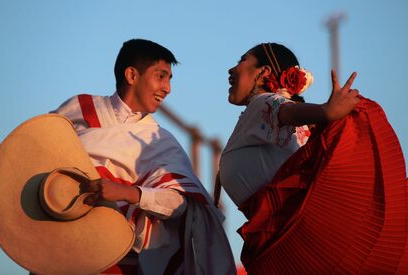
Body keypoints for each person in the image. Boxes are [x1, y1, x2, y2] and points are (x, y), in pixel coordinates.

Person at [217, 42, 408, 274]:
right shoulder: (281, 119)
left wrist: (326, 112)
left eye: (241, 60)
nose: (232, 69)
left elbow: (283, 110)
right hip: (301, 233)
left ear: (263, 73)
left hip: (294, 235)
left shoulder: (263, 102)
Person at [52, 38, 236, 275]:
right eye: (161, 76)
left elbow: (179, 204)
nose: (167, 88)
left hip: (118, 263)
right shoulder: (80, 108)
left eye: (170, 79)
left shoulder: (159, 140)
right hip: (55, 248)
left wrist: (129, 194)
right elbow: (41, 152)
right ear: (131, 75)